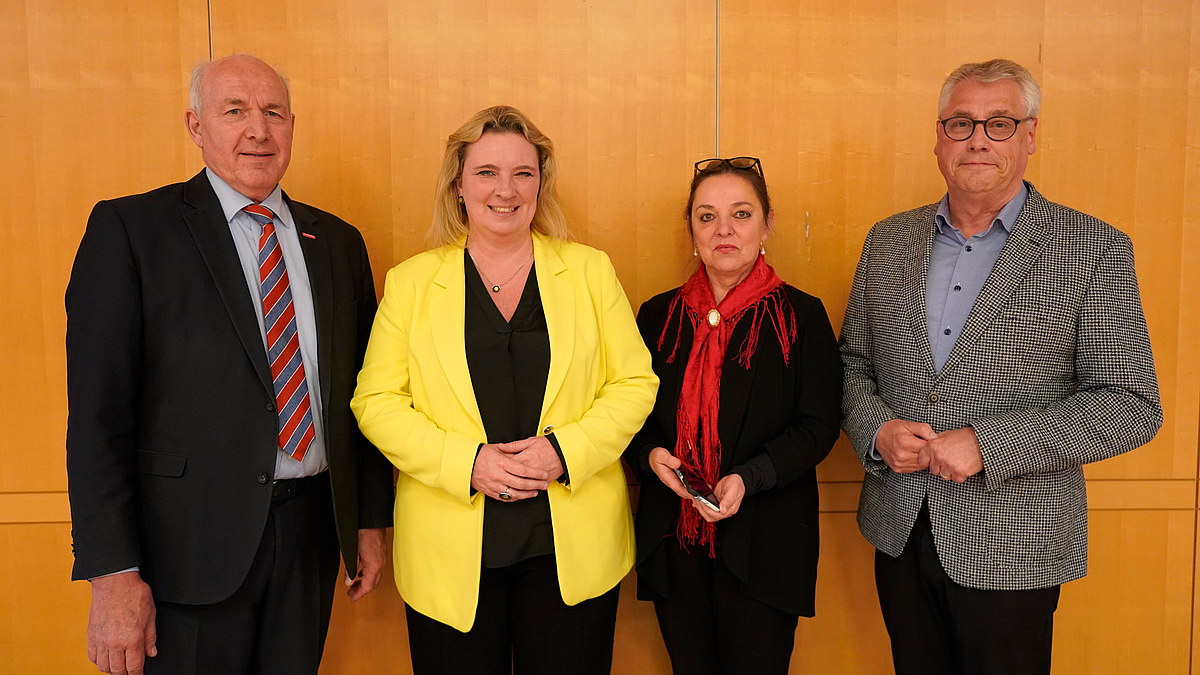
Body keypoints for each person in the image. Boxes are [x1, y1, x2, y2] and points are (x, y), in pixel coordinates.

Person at [65, 54, 394, 675]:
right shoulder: (132, 230)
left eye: (273, 113)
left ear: (293, 124)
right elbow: (97, 418)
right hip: (185, 553)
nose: (258, 130)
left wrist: (370, 520)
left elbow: (363, 394)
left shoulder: (339, 243)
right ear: (195, 125)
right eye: (234, 111)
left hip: (310, 541)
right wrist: (112, 574)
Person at [840, 58, 1163, 675]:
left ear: (1032, 136)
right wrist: (876, 430)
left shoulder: (1093, 249)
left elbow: (1130, 407)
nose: (978, 139)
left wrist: (990, 445)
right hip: (900, 530)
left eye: (1000, 123)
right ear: (938, 139)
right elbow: (851, 364)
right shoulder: (886, 242)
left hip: (1016, 542)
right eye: (961, 123)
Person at [350, 105, 658, 674]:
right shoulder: (412, 282)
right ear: (458, 185)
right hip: (449, 554)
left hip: (572, 554)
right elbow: (376, 401)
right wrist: (466, 462)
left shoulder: (590, 271)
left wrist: (562, 452)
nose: (506, 190)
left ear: (541, 184)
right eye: (487, 172)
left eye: (523, 173)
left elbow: (635, 382)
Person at [626, 156, 843, 674]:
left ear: (767, 224)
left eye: (741, 214)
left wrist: (749, 477)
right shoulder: (656, 315)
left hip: (766, 544)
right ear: (691, 228)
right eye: (707, 216)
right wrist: (652, 455)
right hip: (674, 542)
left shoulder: (802, 316)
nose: (723, 229)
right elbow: (626, 415)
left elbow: (818, 426)